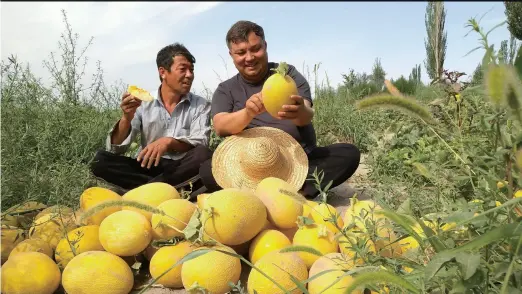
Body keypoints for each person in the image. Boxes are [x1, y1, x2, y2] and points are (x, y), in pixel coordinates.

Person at [199, 20, 361, 199]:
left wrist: (299, 112)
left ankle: (267, 195)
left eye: (255, 49)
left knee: (348, 154)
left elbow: (306, 114)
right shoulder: (226, 89)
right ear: (231, 55)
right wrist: (248, 113)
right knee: (208, 171)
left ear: (265, 46)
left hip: (299, 163)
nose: (250, 57)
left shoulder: (286, 74)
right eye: (241, 52)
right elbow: (220, 126)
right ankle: (286, 194)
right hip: (250, 169)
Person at [90, 43, 212, 196]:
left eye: (191, 70)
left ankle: (142, 193)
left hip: (182, 168)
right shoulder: (143, 102)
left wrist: (169, 142)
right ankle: (164, 191)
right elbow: (117, 148)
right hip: (148, 166)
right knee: (100, 160)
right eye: (183, 69)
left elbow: (201, 141)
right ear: (163, 72)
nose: (189, 75)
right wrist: (126, 118)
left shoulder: (201, 105)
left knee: (204, 155)